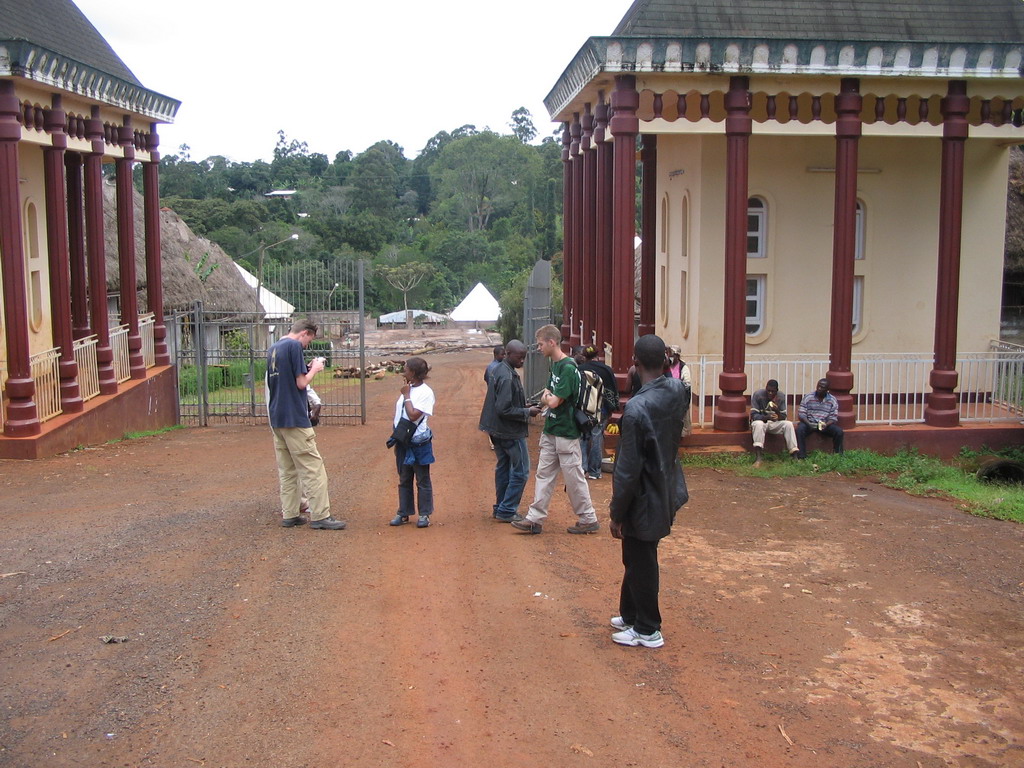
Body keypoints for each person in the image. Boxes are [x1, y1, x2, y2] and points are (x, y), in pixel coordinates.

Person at [609, 334, 689, 649]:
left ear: (635, 362)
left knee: (641, 559)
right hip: (665, 485)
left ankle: (647, 628)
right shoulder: (676, 390)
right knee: (637, 555)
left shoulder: (637, 408)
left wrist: (617, 513)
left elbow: (626, 470)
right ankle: (630, 614)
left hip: (643, 496)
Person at [511, 325, 600, 535]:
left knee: (573, 477)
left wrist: (548, 398)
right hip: (552, 429)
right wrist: (549, 398)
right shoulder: (555, 365)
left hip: (567, 432)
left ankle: (588, 517)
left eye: (541, 344)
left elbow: (553, 401)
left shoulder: (568, 368)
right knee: (544, 474)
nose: (539, 348)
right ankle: (534, 518)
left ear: (552, 342)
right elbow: (549, 396)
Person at [267, 319, 346, 530]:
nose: (307, 346)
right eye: (309, 341)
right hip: (294, 416)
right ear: (304, 333)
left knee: (288, 469)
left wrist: (306, 368)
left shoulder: (274, 347)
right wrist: (316, 369)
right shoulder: (293, 346)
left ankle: (290, 513)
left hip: (277, 417)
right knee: (313, 468)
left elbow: (287, 377)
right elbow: (301, 382)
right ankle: (320, 515)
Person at [479, 340, 541, 521]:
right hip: (509, 431)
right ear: (507, 353)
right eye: (519, 357)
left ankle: (500, 507)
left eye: (524, 358)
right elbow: (503, 409)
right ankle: (507, 510)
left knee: (504, 467)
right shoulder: (507, 376)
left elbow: (503, 402)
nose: (522, 361)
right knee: (521, 471)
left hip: (496, 429)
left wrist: (524, 405)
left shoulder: (499, 369)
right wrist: (526, 412)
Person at [390, 357, 436, 528]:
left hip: (418, 442)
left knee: (422, 479)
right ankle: (404, 512)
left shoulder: (425, 392)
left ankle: (424, 514)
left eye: (406, 368)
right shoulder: (407, 388)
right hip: (403, 440)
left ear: (414, 373)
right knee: (404, 478)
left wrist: (407, 396)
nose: (404, 371)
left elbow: (414, 415)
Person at [579, 344, 618, 480]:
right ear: (598, 355)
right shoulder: (606, 370)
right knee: (597, 437)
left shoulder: (579, 370)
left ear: (584, 356)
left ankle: (582, 469)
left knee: (582, 438)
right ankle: (595, 471)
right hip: (601, 410)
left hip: (582, 411)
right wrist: (611, 409)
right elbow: (612, 391)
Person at [750, 378, 799, 466]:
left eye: (773, 391)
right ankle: (758, 458)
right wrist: (766, 417)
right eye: (768, 391)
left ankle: (794, 455)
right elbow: (754, 415)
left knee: (788, 424)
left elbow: (783, 416)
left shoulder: (781, 396)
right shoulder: (758, 395)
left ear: (776, 391)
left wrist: (777, 412)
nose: (770, 393)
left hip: (774, 423)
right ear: (766, 389)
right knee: (758, 424)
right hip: (762, 422)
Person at [796, 378, 844, 459]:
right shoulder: (808, 397)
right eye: (818, 386)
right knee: (800, 429)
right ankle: (802, 455)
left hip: (824, 424)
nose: (819, 389)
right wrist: (808, 423)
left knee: (839, 432)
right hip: (809, 422)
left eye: (822, 387)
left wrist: (826, 424)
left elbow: (833, 417)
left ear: (827, 390)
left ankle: (838, 455)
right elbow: (801, 413)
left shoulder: (832, 400)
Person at [665, 345, 692, 437]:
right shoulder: (666, 366)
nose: (671, 356)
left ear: (678, 356)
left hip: (680, 397)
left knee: (682, 418)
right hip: (668, 396)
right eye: (670, 354)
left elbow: (687, 384)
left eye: (673, 354)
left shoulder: (683, 368)